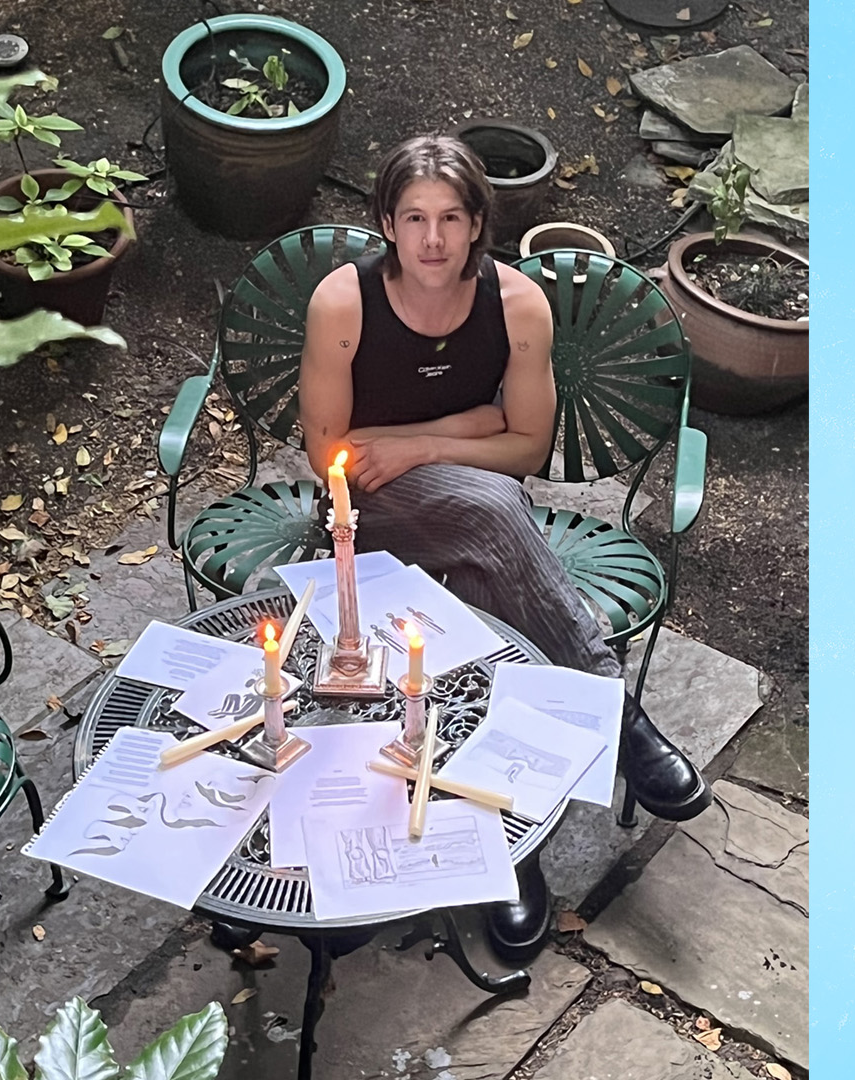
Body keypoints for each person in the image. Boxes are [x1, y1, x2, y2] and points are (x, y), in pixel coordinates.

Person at [297, 135, 713, 962]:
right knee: (491, 515)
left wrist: (419, 443)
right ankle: (614, 716)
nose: (433, 240)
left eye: (452, 217)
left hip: (464, 501)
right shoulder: (343, 305)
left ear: (480, 222)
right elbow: (332, 454)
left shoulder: (517, 306)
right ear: (385, 221)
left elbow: (527, 449)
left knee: (484, 585)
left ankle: (500, 849)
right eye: (414, 218)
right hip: (363, 509)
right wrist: (464, 429)